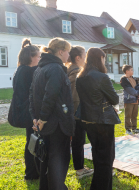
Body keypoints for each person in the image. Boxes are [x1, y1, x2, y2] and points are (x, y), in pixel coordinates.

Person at [29, 37, 75, 189]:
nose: (69, 55)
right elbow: (50, 96)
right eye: (67, 51)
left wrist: (36, 117)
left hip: (47, 123)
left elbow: (32, 96)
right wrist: (41, 118)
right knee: (58, 160)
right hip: (56, 124)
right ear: (61, 51)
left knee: (46, 159)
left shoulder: (40, 68)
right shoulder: (55, 68)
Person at [76, 48, 120, 189]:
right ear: (99, 58)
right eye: (104, 58)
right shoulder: (101, 76)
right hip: (103, 120)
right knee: (106, 159)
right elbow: (114, 98)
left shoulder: (81, 76)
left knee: (97, 155)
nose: (105, 61)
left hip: (88, 120)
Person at [8, 39, 40, 181]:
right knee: (33, 142)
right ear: (31, 57)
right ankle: (32, 173)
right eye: (39, 56)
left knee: (31, 141)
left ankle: (32, 172)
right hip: (30, 113)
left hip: (26, 111)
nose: (40, 59)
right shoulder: (30, 71)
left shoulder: (20, 69)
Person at [66, 45, 94, 179]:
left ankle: (80, 168)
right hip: (78, 113)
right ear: (78, 58)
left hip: (73, 112)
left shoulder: (69, 69)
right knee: (78, 141)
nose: (86, 59)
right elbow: (76, 96)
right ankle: (80, 170)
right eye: (84, 56)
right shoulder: (76, 72)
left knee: (77, 141)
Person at [120, 65, 139, 135]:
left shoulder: (134, 79)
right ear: (127, 71)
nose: (133, 71)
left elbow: (138, 86)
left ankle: (134, 128)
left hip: (135, 100)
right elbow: (129, 89)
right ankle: (128, 129)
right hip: (129, 100)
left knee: (134, 115)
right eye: (131, 70)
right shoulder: (123, 80)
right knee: (128, 115)